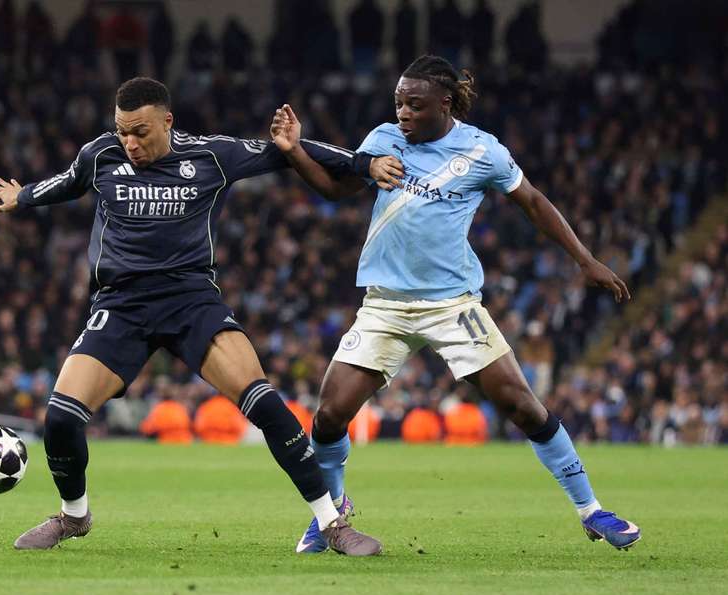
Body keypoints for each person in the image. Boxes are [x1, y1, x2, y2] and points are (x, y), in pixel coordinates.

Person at [0, 77, 382, 555]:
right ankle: (73, 517)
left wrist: (363, 162)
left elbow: (287, 149)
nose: (129, 142)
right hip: (122, 305)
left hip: (191, 301)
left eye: (140, 132)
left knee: (265, 404)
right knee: (61, 418)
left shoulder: (211, 155)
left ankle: (332, 522)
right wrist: (23, 196)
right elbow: (69, 181)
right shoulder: (101, 154)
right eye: (122, 131)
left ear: (167, 122)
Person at [269, 54, 641, 553]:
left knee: (522, 407)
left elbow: (532, 201)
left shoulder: (482, 151)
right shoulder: (383, 139)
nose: (402, 112)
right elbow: (335, 190)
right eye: (398, 102)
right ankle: (332, 517)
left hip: (452, 305)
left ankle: (592, 511)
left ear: (444, 104)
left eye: (414, 104)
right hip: (386, 306)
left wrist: (585, 260)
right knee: (331, 414)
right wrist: (294, 152)